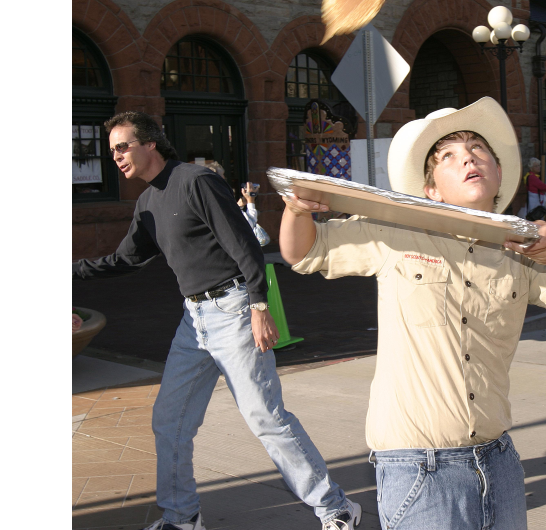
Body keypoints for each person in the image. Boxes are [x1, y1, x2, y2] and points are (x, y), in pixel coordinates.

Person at [278, 97, 546, 530]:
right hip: (418, 466)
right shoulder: (394, 230)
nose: (468, 158)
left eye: (478, 150)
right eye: (449, 155)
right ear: (431, 187)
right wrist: (296, 209)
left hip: (500, 462)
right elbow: (303, 251)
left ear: (497, 173)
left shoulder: (526, 250)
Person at [72, 111, 361, 530]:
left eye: (122, 146)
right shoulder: (148, 202)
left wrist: (259, 306)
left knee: (265, 417)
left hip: (234, 311)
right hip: (194, 321)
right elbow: (125, 260)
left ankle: (335, 509)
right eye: (112, 149)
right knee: (169, 421)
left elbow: (243, 243)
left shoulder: (194, 181)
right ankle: (182, 518)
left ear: (150, 143)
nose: (115, 156)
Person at [203, 161, 260, 230]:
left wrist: (239, 206)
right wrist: (251, 200)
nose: (224, 178)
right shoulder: (222, 199)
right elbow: (248, 225)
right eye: (222, 175)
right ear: (216, 179)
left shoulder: (207, 199)